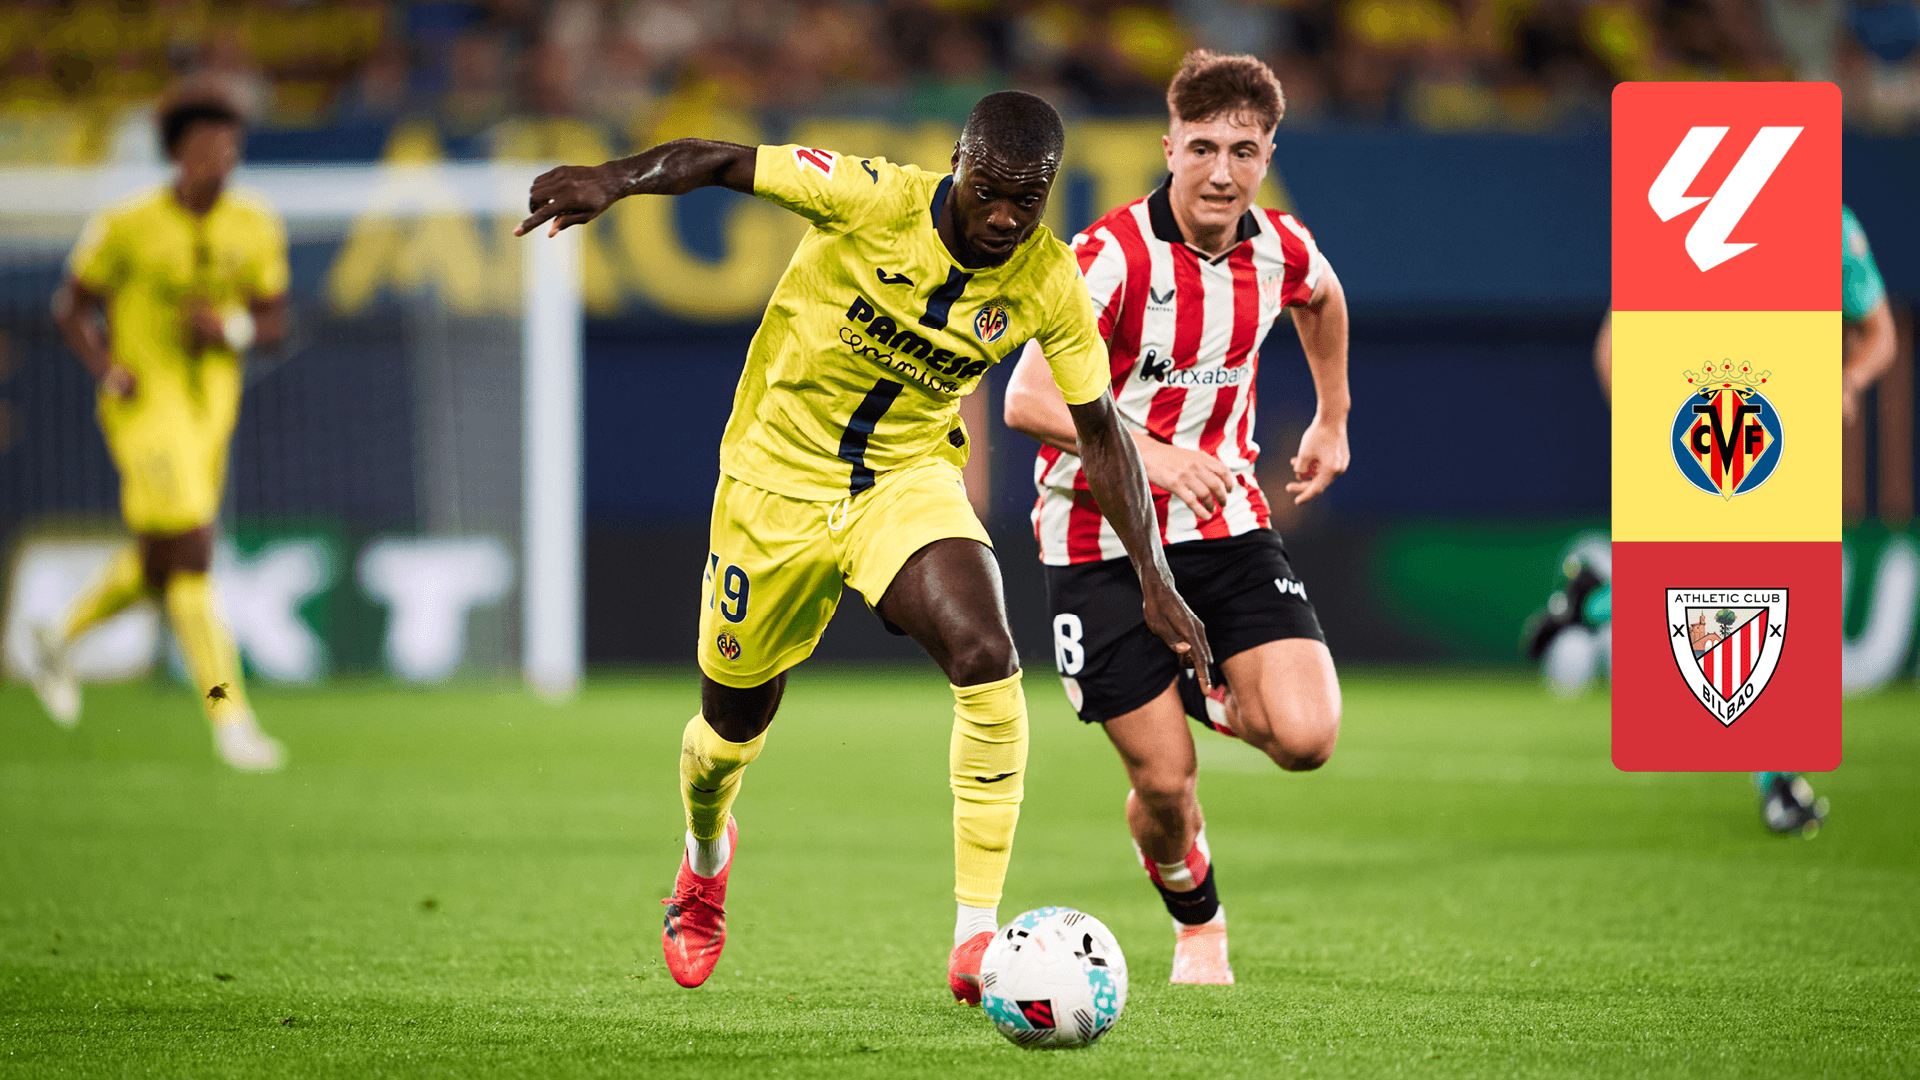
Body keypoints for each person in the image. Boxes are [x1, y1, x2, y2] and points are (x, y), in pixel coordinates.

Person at [514, 91, 1213, 1001]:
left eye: (1028, 200)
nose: (1006, 218)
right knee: (728, 736)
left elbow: (1102, 436)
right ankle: (703, 860)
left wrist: (1155, 579)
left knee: (987, 653)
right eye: (991, 191)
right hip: (772, 485)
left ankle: (976, 937)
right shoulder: (868, 196)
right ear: (958, 164)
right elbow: (720, 159)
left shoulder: (1048, 281)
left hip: (902, 481)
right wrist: (614, 179)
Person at [1002, 51, 1348, 985]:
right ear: (1169, 149)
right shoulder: (1109, 255)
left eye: (1243, 151)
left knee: (1308, 738)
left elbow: (1323, 298)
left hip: (1224, 527)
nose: (1221, 172)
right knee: (1164, 782)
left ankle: (1196, 684)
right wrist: (1151, 456)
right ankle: (1200, 927)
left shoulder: (1280, 247)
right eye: (1202, 149)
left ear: (1267, 156)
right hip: (1097, 540)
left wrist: (1332, 415)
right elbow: (1028, 399)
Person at [1526, 205, 1899, 836]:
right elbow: (1614, 346)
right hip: (1707, 433)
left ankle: (1599, 601)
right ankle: (1778, 781)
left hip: (1787, 434)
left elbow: (1879, 333)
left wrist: (1847, 379)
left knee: (1739, 599)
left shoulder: (1826, 224)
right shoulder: (1687, 214)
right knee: (1743, 597)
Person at [26, 91, 289, 772]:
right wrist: (105, 367)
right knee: (195, 554)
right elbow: (71, 306)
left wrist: (229, 328)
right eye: (206, 145)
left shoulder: (255, 225)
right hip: (145, 407)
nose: (220, 158)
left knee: (160, 562)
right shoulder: (127, 224)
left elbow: (274, 320)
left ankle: (56, 640)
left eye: (229, 145)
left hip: (212, 411)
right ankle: (231, 717)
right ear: (176, 153)